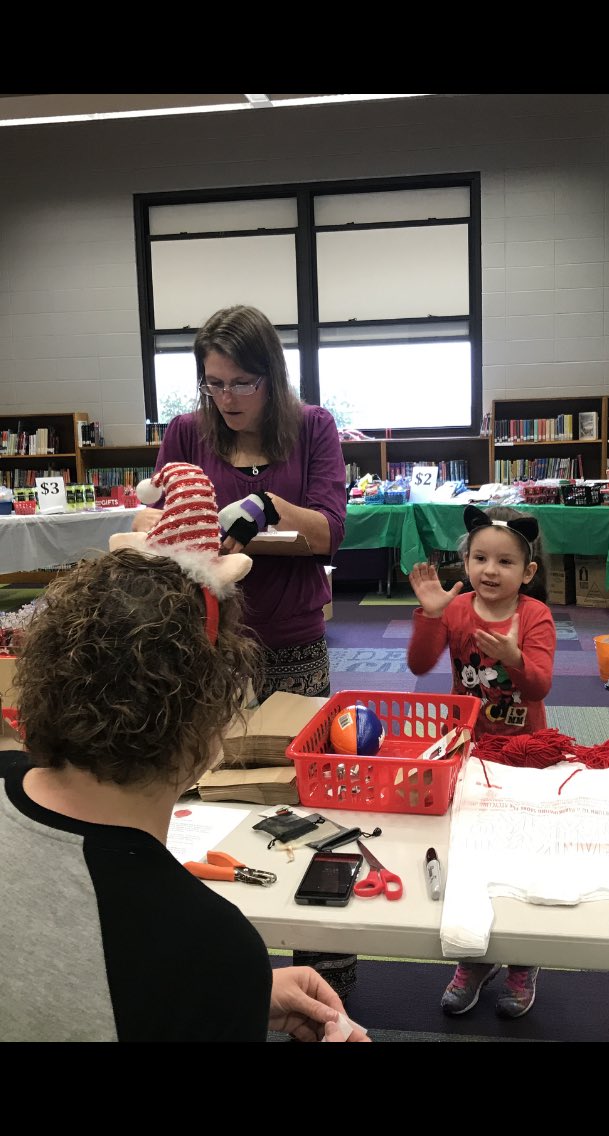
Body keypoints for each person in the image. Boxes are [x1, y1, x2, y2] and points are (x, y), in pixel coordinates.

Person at [0, 473, 368, 1043]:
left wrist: (236, 994)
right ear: (213, 721)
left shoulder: (202, 957)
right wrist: (226, 986)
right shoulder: (206, 942)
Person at [130, 304, 357, 999]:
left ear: (271, 376)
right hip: (202, 643)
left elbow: (330, 532)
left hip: (288, 640)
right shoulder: (184, 433)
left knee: (306, 802)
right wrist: (172, 529)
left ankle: (325, 965)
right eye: (214, 384)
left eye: (241, 384)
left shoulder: (312, 428)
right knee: (202, 800)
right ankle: (213, 958)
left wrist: (263, 507)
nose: (226, 400)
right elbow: (152, 519)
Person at [407, 503, 556, 1020]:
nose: (490, 570)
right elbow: (420, 664)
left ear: (528, 572)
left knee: (521, 855)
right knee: (469, 852)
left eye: (506, 562)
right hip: (466, 748)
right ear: (465, 561)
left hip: (522, 754)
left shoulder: (534, 615)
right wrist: (429, 615)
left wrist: (516, 659)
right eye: (480, 558)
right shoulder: (455, 609)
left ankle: (523, 957)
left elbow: (540, 685)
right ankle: (476, 957)